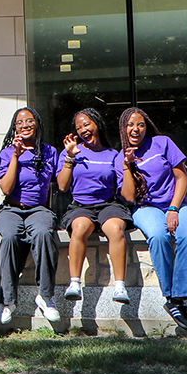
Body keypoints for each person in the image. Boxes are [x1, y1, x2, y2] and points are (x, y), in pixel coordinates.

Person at [118, 107, 187, 330]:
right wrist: (127, 165)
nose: (136, 129)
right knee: (158, 235)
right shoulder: (120, 157)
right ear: (123, 128)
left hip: (176, 203)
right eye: (131, 125)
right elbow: (129, 196)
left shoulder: (163, 143)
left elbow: (182, 177)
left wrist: (174, 208)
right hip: (146, 207)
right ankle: (171, 295)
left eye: (141, 124)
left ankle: (179, 298)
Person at [57, 108, 132, 305]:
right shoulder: (72, 152)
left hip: (108, 204)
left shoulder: (113, 154)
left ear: (97, 124)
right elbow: (63, 185)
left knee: (115, 229)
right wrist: (70, 157)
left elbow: (124, 189)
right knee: (80, 227)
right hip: (81, 205)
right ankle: (74, 283)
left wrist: (128, 166)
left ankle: (120, 286)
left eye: (87, 124)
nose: (83, 129)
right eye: (79, 127)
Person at [0, 107, 61, 325]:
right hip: (11, 208)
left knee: (42, 233)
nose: (25, 126)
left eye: (29, 121)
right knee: (10, 237)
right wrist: (16, 155)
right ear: (14, 127)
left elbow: (57, 185)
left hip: (38, 209)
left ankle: (45, 296)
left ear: (37, 124)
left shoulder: (49, 152)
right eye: (20, 122)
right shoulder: (6, 153)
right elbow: (5, 188)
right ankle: (8, 300)